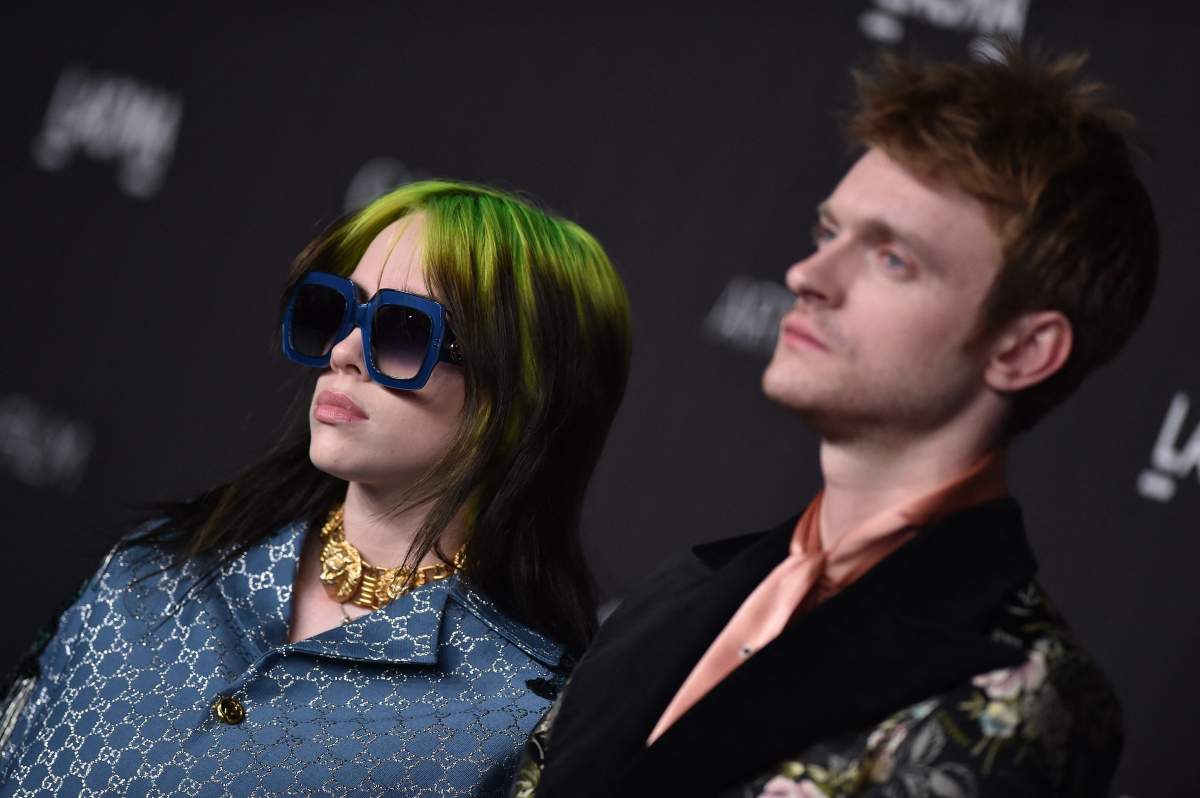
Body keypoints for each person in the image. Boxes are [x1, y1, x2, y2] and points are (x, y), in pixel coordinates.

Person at [513, 44, 1156, 798]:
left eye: (892, 259)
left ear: (1023, 349)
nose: (807, 276)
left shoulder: (1026, 692)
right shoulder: (674, 591)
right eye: (828, 234)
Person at [0, 181, 632, 797]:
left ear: (524, 395)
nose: (344, 351)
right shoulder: (156, 568)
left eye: (405, 330)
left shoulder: (520, 720)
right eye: (337, 311)